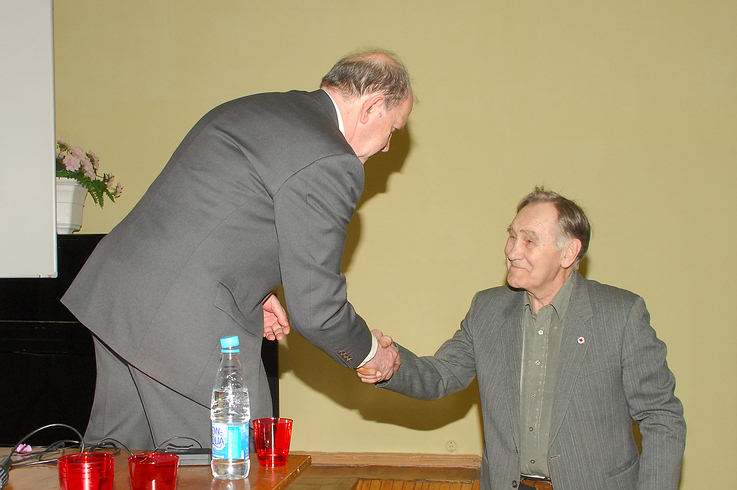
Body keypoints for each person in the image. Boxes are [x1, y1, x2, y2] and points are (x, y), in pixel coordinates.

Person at [62, 50, 411, 450]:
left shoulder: (259, 107)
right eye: (393, 128)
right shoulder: (332, 158)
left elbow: (215, 211)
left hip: (121, 298)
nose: (388, 146)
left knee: (120, 460)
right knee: (228, 463)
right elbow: (317, 309)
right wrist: (369, 353)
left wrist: (253, 289)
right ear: (372, 107)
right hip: (183, 326)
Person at [359, 187, 686, 490]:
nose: (512, 251)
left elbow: (661, 417)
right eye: (512, 236)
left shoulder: (621, 315)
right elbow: (441, 375)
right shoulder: (487, 310)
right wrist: (391, 364)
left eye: (529, 241)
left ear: (568, 252)